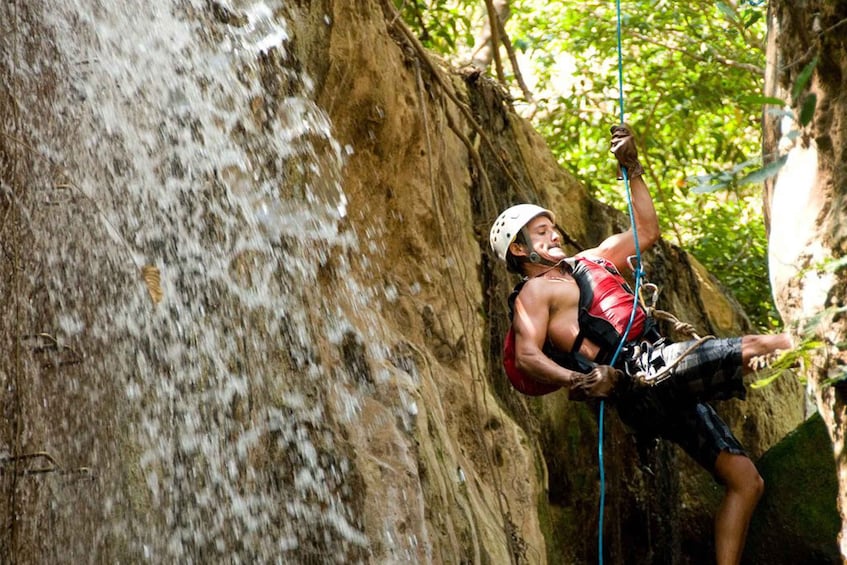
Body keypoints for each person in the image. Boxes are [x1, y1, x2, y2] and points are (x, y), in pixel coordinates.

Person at [488, 125, 792, 565]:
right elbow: (528, 355)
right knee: (757, 346)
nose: (553, 236)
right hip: (638, 377)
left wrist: (631, 166)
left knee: (746, 481)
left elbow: (646, 230)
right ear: (519, 250)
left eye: (552, 228)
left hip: (657, 370)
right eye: (540, 232)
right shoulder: (535, 294)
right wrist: (582, 378)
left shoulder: (592, 259)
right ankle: (821, 340)